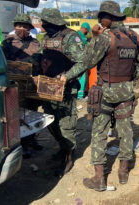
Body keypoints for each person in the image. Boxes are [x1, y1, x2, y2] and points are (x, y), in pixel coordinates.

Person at [62, 0, 139, 191]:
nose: (100, 21)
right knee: (125, 130)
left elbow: (85, 62)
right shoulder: (134, 37)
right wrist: (128, 79)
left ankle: (99, 179)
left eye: (101, 17)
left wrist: (65, 77)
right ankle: (123, 172)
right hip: (126, 91)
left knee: (99, 132)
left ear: (108, 19)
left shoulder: (105, 38)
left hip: (105, 92)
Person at [39, 8, 85, 176]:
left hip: (66, 88)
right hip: (48, 87)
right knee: (51, 121)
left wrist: (67, 76)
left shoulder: (71, 37)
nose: (44, 27)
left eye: (47, 24)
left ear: (55, 23)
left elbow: (83, 61)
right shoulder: (47, 37)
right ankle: (62, 147)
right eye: (43, 24)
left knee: (66, 123)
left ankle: (69, 156)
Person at [1, 14, 42, 158]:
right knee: (18, 115)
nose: (22, 29)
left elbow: (41, 61)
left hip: (31, 85)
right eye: (19, 26)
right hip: (16, 86)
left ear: (30, 28)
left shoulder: (35, 43)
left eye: (25, 26)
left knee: (32, 112)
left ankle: (32, 140)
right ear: (14, 26)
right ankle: (22, 144)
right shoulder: (8, 42)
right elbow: (3, 62)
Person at [77, 22, 91, 99]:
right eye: (87, 31)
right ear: (85, 29)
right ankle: (80, 95)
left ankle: (78, 94)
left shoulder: (76, 34)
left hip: (75, 61)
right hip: (81, 61)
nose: (87, 33)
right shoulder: (81, 37)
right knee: (82, 78)